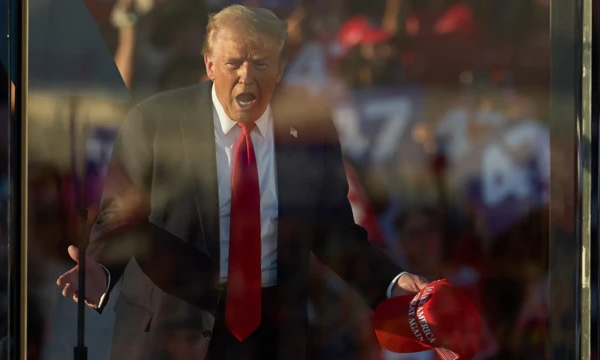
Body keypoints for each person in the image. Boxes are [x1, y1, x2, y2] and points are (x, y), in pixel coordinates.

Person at [56, 5, 428, 360]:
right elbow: (122, 214)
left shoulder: (310, 129)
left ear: (281, 68)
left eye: (261, 63)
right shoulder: (154, 122)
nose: (246, 77)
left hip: (271, 337)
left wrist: (392, 282)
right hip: (172, 330)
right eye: (234, 63)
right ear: (210, 64)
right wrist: (102, 268)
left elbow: (333, 232)